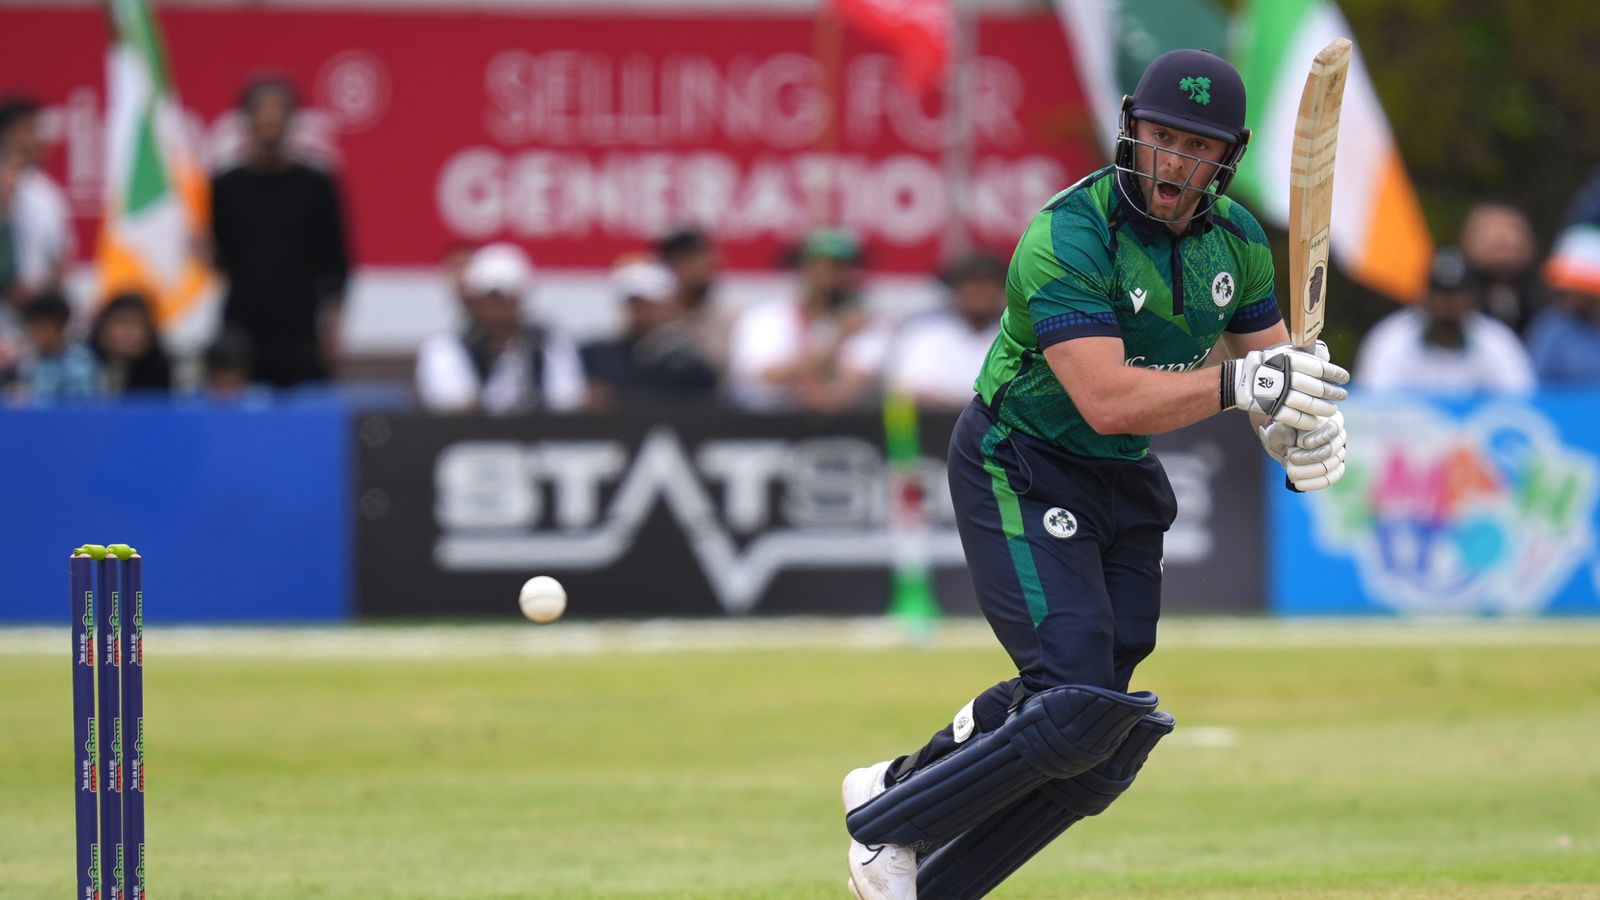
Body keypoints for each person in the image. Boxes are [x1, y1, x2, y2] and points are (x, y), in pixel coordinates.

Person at [838, 49, 1351, 900]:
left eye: (1198, 147)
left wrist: (1293, 433)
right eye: (1161, 138)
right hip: (1023, 458)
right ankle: (894, 809)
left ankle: (932, 867)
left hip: (1121, 480)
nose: (1175, 163)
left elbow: (1274, 377)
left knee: (1100, 737)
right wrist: (1244, 386)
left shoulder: (1238, 244)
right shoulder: (1068, 234)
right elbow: (1107, 399)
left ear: (1231, 154)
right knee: (1069, 687)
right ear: (1131, 127)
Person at [210, 75, 350, 388]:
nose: (270, 117)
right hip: (242, 323)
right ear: (246, 119)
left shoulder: (316, 184)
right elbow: (219, 259)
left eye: (279, 109)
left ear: (293, 118)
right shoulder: (225, 185)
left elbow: (337, 263)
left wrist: (332, 329)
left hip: (300, 327)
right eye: (262, 109)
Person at [726, 227, 889, 411]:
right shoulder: (766, 319)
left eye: (841, 265)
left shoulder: (870, 325)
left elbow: (854, 383)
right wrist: (837, 338)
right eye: (823, 264)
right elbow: (769, 375)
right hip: (767, 425)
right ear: (803, 267)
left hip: (845, 428)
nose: (832, 273)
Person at [414, 242, 585, 414]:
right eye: (489, 297)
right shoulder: (445, 347)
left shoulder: (548, 344)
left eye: (505, 297)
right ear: (473, 301)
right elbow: (452, 403)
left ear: (520, 300)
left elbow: (565, 401)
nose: (496, 308)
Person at [1355, 246, 1535, 396]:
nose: (1449, 302)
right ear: (1425, 296)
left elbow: (1520, 402)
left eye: (1458, 294)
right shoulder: (1392, 339)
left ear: (1474, 298)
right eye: (1441, 293)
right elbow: (1374, 403)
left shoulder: (1496, 342)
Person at [580, 257, 718, 408]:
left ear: (669, 303)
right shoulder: (595, 356)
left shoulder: (689, 363)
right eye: (634, 302)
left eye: (648, 302)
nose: (641, 310)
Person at [884, 253, 1009, 409]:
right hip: (933, 424)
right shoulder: (925, 331)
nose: (979, 292)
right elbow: (908, 390)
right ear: (954, 289)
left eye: (987, 283)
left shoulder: (1018, 335)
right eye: (970, 283)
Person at [0, 96, 74, 306]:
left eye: (35, 130)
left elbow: (61, 261)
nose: (34, 138)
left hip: (35, 314)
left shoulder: (47, 196)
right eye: (25, 130)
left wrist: (42, 298)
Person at [1458, 202, 1541, 335]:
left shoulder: (1545, 304)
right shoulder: (1453, 301)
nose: (1501, 237)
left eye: (1512, 228)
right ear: (1466, 240)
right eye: (1488, 228)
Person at [14, 291, 98, 401]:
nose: (36, 334)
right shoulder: (28, 361)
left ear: (62, 326)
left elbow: (81, 407)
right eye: (32, 327)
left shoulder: (80, 363)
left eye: (43, 327)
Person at [89, 291, 173, 394]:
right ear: (102, 327)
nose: (127, 333)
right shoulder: (81, 367)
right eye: (120, 321)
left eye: (136, 324)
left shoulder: (161, 371)